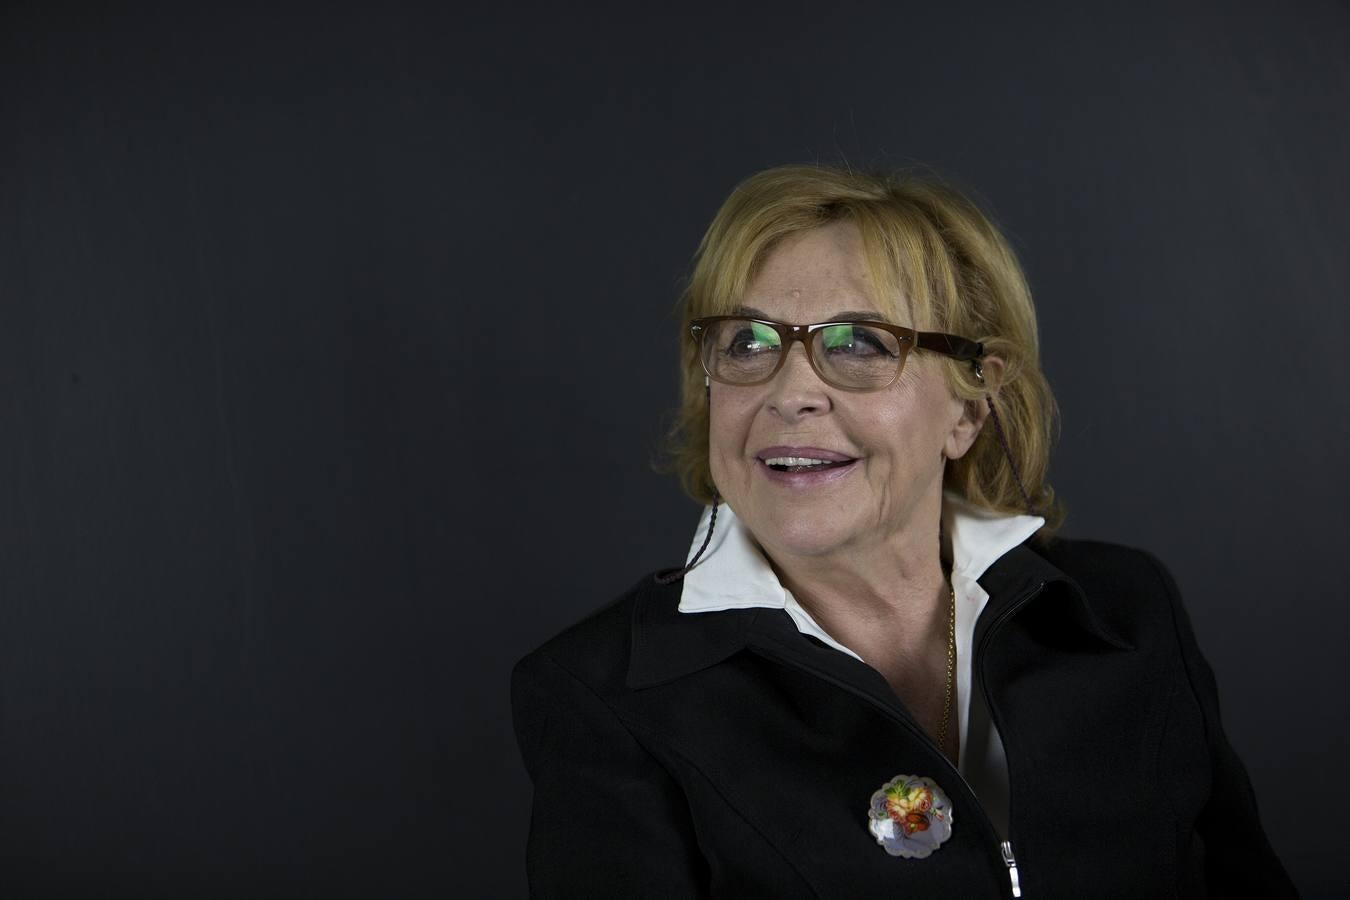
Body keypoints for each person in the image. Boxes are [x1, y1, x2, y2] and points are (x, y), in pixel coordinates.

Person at [510, 164, 1296, 897]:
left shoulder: (1127, 613)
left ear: (971, 406)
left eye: (858, 343)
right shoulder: (602, 694)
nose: (790, 394)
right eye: (747, 343)